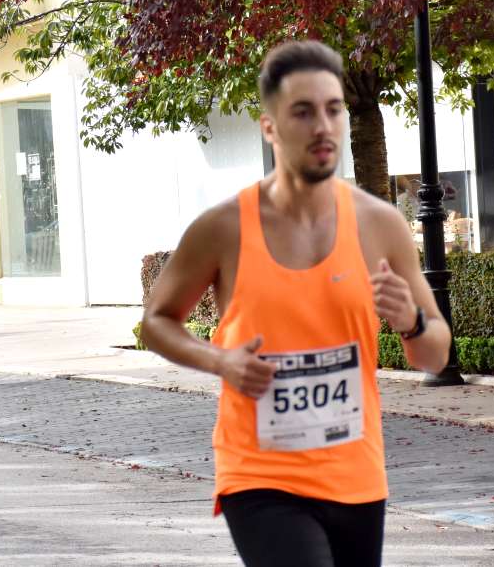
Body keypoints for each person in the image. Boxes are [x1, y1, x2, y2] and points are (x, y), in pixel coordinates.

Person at [141, 40, 452, 567]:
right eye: (303, 113)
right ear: (270, 127)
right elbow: (156, 321)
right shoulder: (223, 228)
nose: (323, 127)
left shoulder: (381, 225)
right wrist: (220, 361)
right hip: (259, 473)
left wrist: (411, 319)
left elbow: (435, 356)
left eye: (333, 110)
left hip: (355, 473)